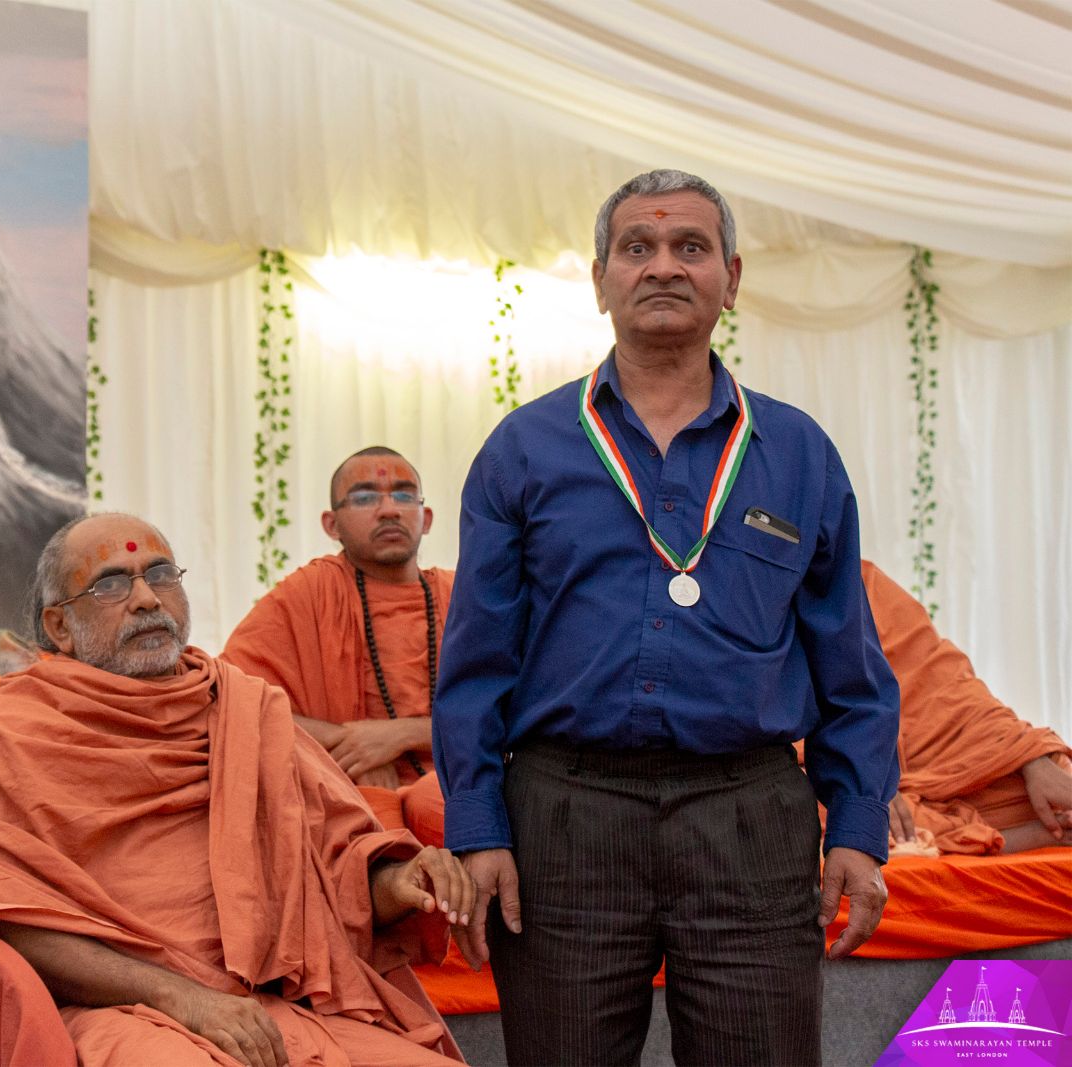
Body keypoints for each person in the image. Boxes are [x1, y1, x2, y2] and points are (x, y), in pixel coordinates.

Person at [433, 169, 900, 1066]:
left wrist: (857, 827)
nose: (663, 267)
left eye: (690, 247)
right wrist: (480, 826)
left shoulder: (797, 451)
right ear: (601, 276)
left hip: (750, 818)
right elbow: (476, 662)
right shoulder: (523, 449)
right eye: (637, 248)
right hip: (565, 818)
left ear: (731, 274)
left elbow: (851, 662)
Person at [0, 512, 476, 1067]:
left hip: (275, 1005)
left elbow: (337, 872)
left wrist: (400, 883)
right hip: (123, 1007)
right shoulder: (27, 725)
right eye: (111, 584)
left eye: (160, 574)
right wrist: (183, 999)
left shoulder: (246, 708)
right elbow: (3, 910)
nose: (147, 598)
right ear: (59, 628)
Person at [222, 447, 452, 788]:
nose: (389, 510)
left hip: (464, 790)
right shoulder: (308, 594)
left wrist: (404, 734)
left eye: (404, 495)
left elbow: (520, 713)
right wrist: (346, 744)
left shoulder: (463, 597)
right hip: (342, 794)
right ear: (332, 525)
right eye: (364, 498)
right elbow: (231, 699)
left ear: (426, 518)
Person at [863, 559, 1072, 855]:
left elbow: (952, 690)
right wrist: (862, 777)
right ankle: (1007, 838)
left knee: (1049, 779)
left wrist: (1031, 758)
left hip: (948, 766)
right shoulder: (775, 602)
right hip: (849, 775)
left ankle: (1013, 826)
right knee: (817, 808)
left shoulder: (864, 581)